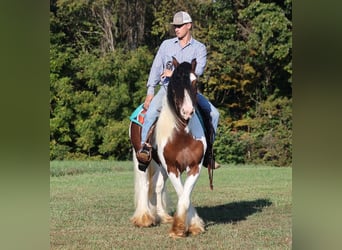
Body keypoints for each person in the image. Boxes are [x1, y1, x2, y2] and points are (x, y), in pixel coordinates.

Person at [136, 11, 220, 169]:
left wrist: (173, 72)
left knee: (214, 114)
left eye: (180, 26)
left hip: (188, 92)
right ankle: (144, 148)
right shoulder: (166, 45)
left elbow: (199, 70)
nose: (176, 29)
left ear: (189, 26)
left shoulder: (199, 48)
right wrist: (150, 91)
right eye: (175, 26)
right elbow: (156, 67)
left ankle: (208, 154)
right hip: (168, 90)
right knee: (152, 111)